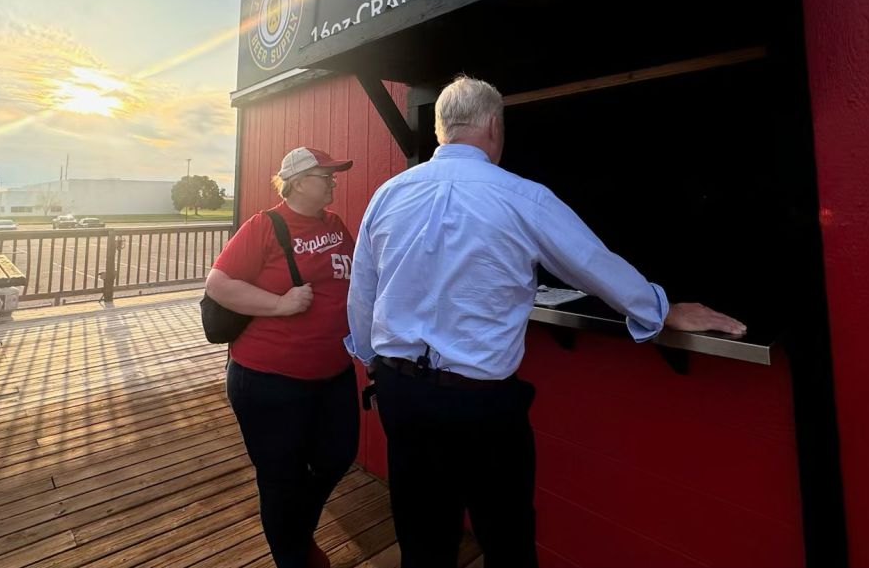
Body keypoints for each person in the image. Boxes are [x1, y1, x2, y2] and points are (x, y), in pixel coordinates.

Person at [346, 76, 747, 568]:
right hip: (481, 405)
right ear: (494, 126)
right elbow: (594, 263)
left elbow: (362, 293)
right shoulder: (523, 196)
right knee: (507, 540)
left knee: (423, 542)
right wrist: (663, 311)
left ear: (439, 130)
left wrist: (372, 361)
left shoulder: (387, 194)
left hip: (401, 396)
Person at [206, 147, 359, 568]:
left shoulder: (335, 224)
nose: (333, 181)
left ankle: (296, 534)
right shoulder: (265, 226)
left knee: (338, 455)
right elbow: (218, 283)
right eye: (325, 174)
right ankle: (294, 556)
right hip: (268, 379)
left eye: (333, 174)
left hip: (333, 372)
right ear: (297, 181)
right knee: (280, 478)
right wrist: (280, 305)